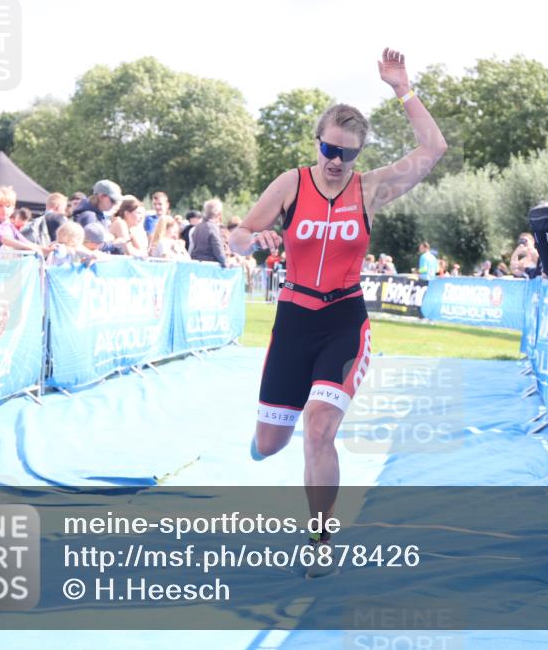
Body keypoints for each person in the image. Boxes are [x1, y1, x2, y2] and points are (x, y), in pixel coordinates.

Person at [228, 48, 446, 577]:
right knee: (271, 442)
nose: (334, 161)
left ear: (357, 156)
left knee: (320, 426)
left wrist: (403, 89)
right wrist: (251, 242)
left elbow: (433, 148)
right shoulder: (290, 184)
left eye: (345, 154)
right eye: (328, 148)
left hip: (344, 323)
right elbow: (238, 234)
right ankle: (265, 442)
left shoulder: (369, 189)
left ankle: (321, 539)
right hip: (294, 322)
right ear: (317, 141)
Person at [0, 186, 50, 255]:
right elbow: (5, 240)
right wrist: (29, 248)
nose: (4, 209)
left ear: (13, 209)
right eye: (0, 205)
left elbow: (26, 242)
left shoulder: (10, 227)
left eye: (8, 206)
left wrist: (48, 250)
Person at [189, 198, 228, 266]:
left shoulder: (197, 227)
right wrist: (225, 263)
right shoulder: (213, 228)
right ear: (219, 213)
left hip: (196, 263)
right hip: (210, 265)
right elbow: (218, 250)